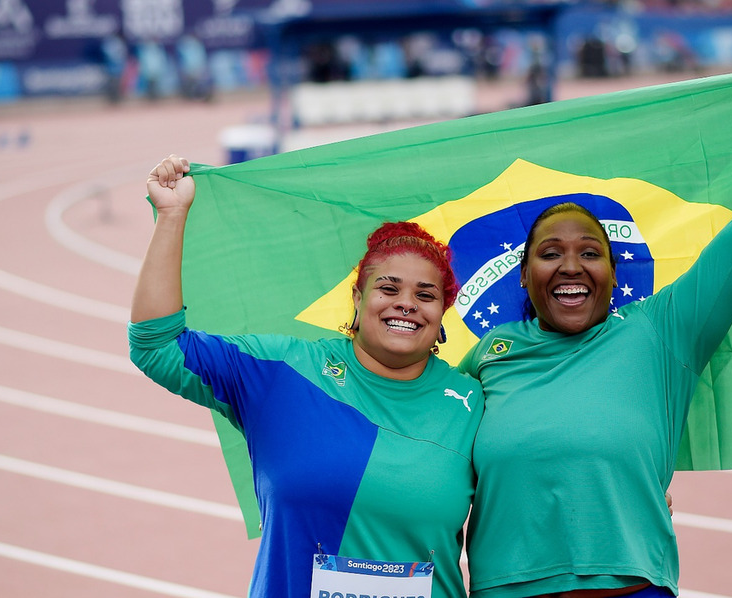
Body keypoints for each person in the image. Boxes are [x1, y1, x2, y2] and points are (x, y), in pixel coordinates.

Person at [460, 26, 732, 598]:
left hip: (632, 587)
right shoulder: (487, 356)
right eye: (550, 254)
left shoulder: (660, 330)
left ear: (614, 277)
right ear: (523, 277)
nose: (570, 266)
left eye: (589, 253)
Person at [128, 156, 483, 598]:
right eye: (388, 289)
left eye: (425, 295)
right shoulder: (283, 372)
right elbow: (156, 347)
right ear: (358, 298)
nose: (406, 303)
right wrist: (172, 215)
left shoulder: (473, 403)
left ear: (442, 312)